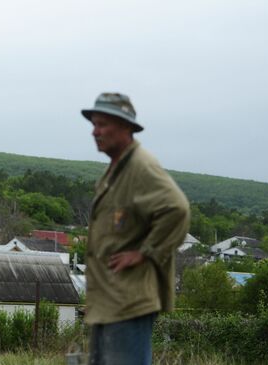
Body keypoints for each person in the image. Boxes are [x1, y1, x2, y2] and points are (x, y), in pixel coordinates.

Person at [81, 93, 190, 365]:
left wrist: (145, 252)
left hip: (128, 300)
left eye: (102, 124)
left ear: (126, 126)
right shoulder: (118, 168)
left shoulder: (141, 166)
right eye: (94, 124)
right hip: (110, 298)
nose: (95, 131)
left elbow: (178, 209)